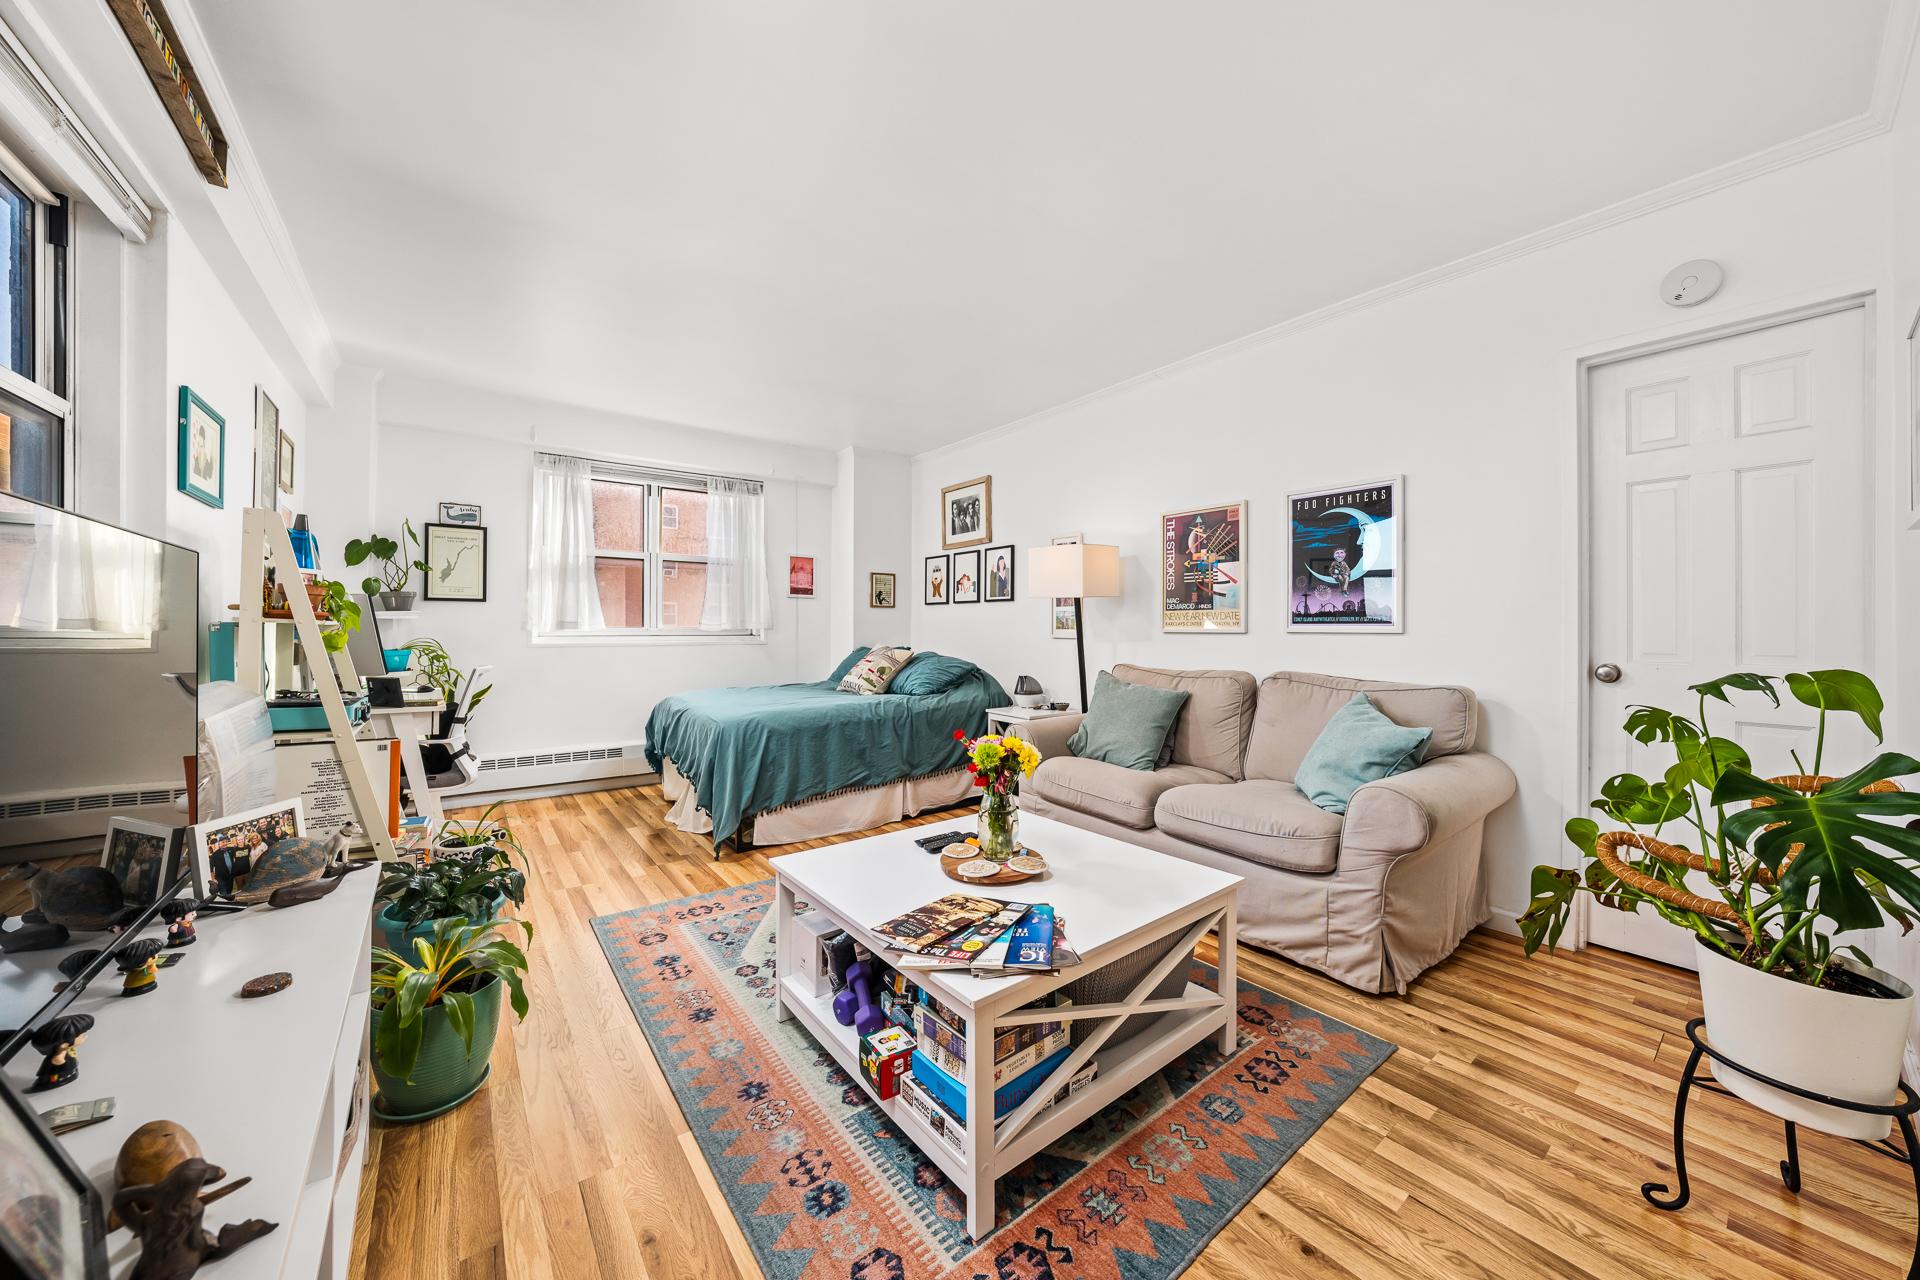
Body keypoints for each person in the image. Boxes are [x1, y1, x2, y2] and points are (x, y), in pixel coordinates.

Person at [27, 1014, 93, 1092]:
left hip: (67, 1071)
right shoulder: (60, 1055)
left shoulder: (66, 1051)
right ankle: (57, 1080)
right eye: (83, 1036)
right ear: (65, 1044)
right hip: (56, 1076)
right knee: (56, 1075)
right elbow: (58, 1061)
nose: (86, 1037)